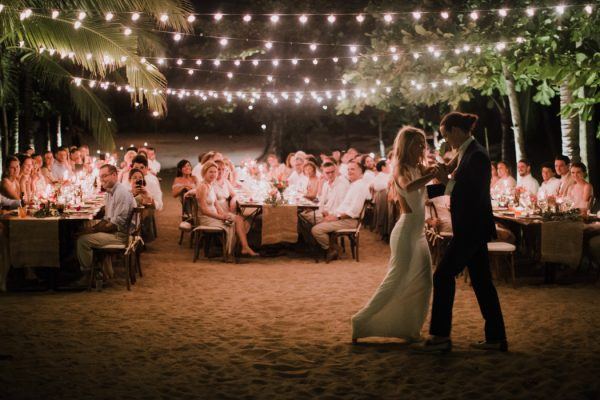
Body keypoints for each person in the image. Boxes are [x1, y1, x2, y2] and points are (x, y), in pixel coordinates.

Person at [415, 112, 507, 353]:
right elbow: (457, 186)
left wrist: (445, 180)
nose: (446, 141)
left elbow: (470, 192)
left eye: (446, 136)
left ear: (457, 130)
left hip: (471, 227)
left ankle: (440, 336)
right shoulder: (466, 152)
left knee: (442, 275)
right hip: (471, 226)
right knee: (482, 283)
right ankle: (496, 338)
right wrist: (424, 193)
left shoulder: (476, 154)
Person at [352, 127, 439, 343]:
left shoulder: (419, 166)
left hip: (419, 232)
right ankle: (361, 321)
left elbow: (425, 193)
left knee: (424, 281)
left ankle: (409, 328)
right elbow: (409, 187)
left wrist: (444, 178)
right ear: (406, 145)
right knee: (395, 279)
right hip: (405, 232)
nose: (421, 147)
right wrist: (431, 175)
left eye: (423, 143)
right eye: (417, 143)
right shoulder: (400, 168)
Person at [74, 164, 137, 286]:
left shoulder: (121, 193)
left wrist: (91, 231)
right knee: (84, 226)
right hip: (116, 230)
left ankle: (90, 275)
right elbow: (106, 219)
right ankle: (99, 270)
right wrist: (91, 228)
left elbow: (114, 225)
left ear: (114, 175)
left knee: (82, 241)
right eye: (100, 177)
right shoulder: (110, 192)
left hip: (121, 235)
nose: (101, 180)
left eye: (104, 176)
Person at [310, 160, 371, 262]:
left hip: (350, 221)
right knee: (312, 221)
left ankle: (333, 249)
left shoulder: (360, 186)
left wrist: (336, 217)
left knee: (316, 229)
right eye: (348, 169)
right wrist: (331, 214)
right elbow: (343, 207)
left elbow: (354, 211)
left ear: (361, 172)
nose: (349, 171)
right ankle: (329, 247)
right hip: (342, 217)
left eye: (353, 169)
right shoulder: (354, 185)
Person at [196, 162, 258, 257]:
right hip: (207, 218)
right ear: (204, 172)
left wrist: (225, 214)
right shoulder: (202, 187)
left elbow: (216, 205)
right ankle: (234, 251)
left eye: (215, 172)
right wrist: (221, 217)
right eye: (211, 172)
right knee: (237, 221)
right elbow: (204, 211)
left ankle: (243, 248)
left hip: (215, 215)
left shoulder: (210, 184)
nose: (214, 174)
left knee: (239, 219)